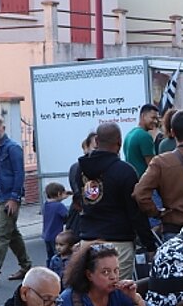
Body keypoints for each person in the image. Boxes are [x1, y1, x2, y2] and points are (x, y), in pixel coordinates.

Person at [75, 122, 159, 282]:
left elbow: (82, 201)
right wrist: (149, 244)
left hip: (88, 240)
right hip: (118, 242)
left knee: (91, 294)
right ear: (119, 143)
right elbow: (135, 212)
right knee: (117, 293)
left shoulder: (81, 169)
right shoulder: (125, 171)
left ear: (97, 141)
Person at [56, 242, 158, 306]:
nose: (113, 277)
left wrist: (135, 298)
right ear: (89, 275)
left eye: (116, 270)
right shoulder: (73, 298)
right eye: (105, 272)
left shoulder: (117, 291)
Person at [0, 115, 31, 285]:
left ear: (3, 128)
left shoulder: (12, 148)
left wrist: (15, 198)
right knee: (12, 233)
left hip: (8, 197)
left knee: (1, 235)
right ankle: (26, 266)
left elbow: (19, 173)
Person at [122, 104, 160, 176]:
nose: (155, 121)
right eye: (153, 118)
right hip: (144, 182)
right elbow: (153, 166)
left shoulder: (129, 134)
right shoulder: (145, 136)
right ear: (143, 116)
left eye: (157, 119)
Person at [40, 181, 69, 258]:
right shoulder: (59, 206)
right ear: (59, 194)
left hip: (46, 236)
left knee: (50, 256)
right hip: (56, 236)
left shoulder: (46, 205)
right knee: (58, 255)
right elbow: (67, 216)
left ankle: (49, 268)